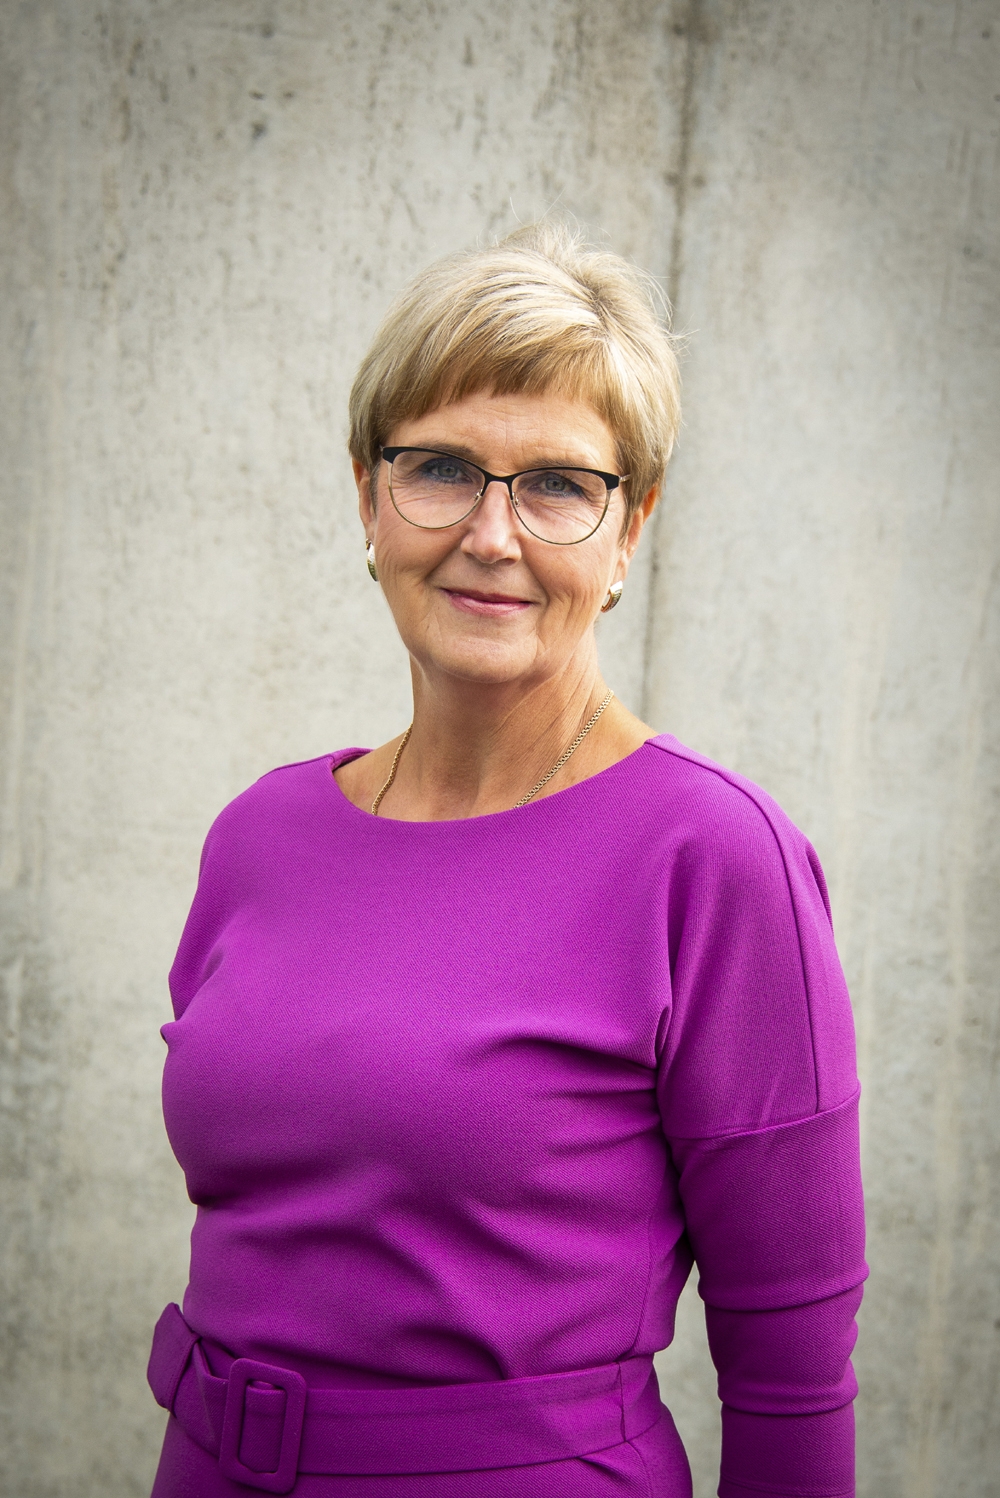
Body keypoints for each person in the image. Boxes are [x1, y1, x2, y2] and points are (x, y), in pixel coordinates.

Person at [148, 222, 866, 1498]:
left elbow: (790, 1368)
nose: (492, 533)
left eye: (557, 485)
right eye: (440, 468)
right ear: (368, 496)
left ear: (629, 528)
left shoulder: (714, 859)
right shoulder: (260, 834)